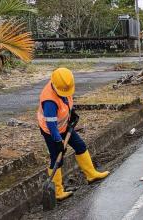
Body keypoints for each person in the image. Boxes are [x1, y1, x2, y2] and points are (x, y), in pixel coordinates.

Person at [37, 68, 109, 201]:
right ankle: (58, 191)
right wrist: (58, 141)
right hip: (51, 131)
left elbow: (66, 101)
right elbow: (51, 125)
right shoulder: (49, 101)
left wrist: (71, 113)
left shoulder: (64, 84)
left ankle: (91, 174)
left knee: (80, 146)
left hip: (64, 126)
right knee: (57, 157)